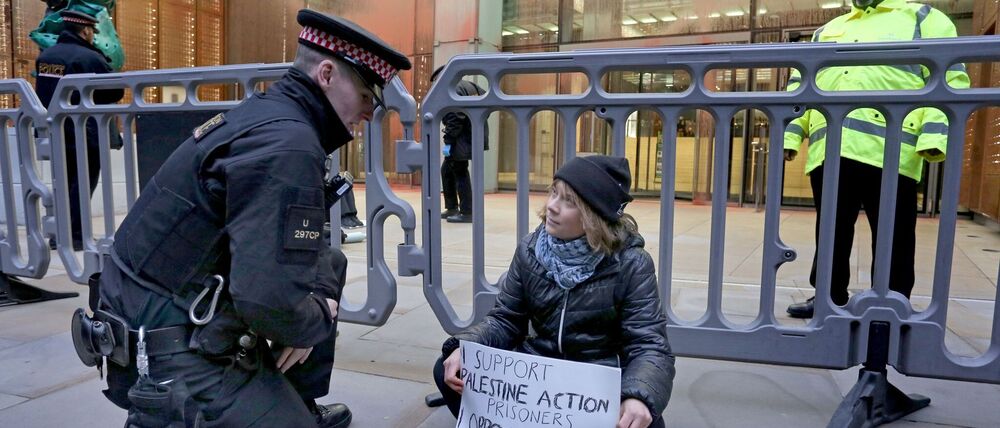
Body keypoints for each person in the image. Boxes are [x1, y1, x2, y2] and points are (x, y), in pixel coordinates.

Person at [86, 10, 410, 427]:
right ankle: (176, 415)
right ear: (327, 74)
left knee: (327, 266)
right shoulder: (289, 144)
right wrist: (315, 318)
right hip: (168, 351)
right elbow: (267, 302)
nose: (369, 112)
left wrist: (309, 312)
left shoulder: (271, 116)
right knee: (306, 310)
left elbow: (290, 254)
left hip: (158, 311)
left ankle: (291, 399)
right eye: (366, 95)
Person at [432, 155, 675, 428]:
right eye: (554, 192)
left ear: (594, 215)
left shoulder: (631, 264)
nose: (551, 206)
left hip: (596, 383)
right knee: (449, 368)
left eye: (568, 201)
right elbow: (505, 319)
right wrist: (467, 347)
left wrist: (638, 395)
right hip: (537, 377)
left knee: (646, 417)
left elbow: (649, 346)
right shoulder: (530, 249)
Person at [783, 0, 970, 318]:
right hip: (831, 147)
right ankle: (828, 297)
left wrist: (934, 137)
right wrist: (790, 135)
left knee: (894, 234)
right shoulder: (828, 30)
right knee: (830, 232)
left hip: (892, 149)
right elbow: (800, 87)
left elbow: (949, 79)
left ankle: (891, 302)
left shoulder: (923, 18)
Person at [34, 9, 123, 251]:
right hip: (85, 132)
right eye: (92, 31)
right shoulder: (89, 57)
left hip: (55, 130)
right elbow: (115, 91)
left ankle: (59, 235)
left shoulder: (47, 56)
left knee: (62, 183)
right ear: (85, 31)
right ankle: (75, 236)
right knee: (82, 184)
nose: (93, 35)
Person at [430, 66, 488, 223]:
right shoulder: (470, 86)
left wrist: (448, 141)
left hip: (461, 139)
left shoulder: (451, 88)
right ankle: (452, 207)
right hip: (473, 135)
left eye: (435, 82)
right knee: (447, 169)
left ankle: (467, 212)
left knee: (460, 171)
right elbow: (486, 103)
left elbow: (455, 118)